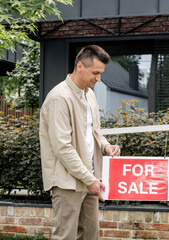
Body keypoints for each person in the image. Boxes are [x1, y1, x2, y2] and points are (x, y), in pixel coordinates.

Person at [39, 45, 121, 240]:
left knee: (90, 235)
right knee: (66, 236)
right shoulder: (59, 98)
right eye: (95, 73)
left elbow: (93, 132)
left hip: (90, 179)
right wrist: (90, 180)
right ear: (80, 66)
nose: (98, 79)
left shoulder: (89, 94)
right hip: (67, 182)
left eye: (101, 73)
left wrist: (105, 145)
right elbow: (62, 147)